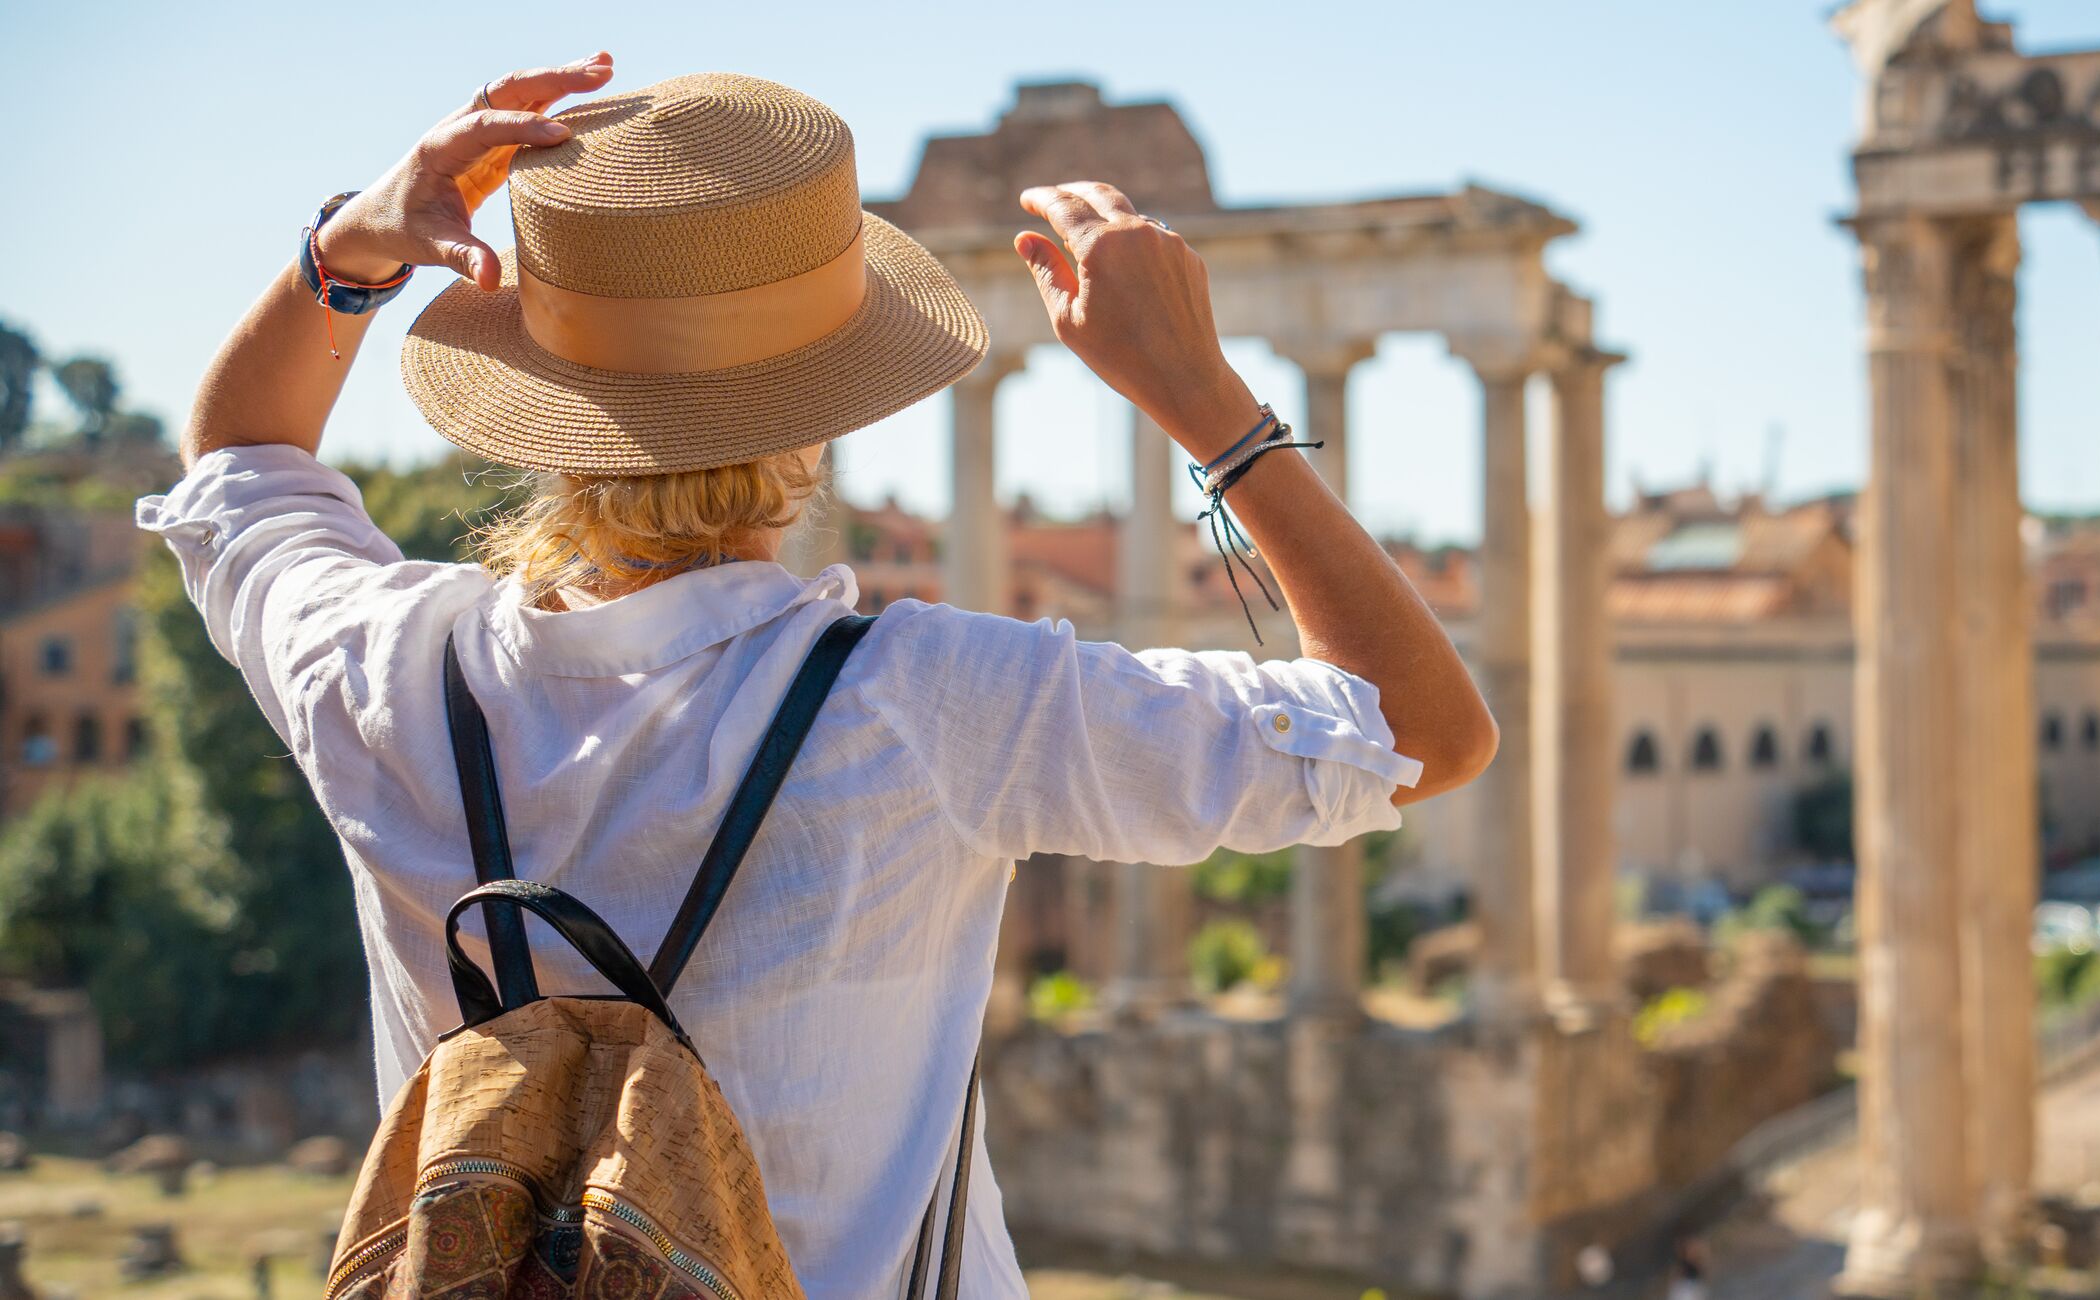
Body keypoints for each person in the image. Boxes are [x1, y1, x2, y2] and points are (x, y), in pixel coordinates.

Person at [138, 55, 1493, 1296]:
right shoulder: (938, 707)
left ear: (541, 397)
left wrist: (347, 251)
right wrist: (1213, 408)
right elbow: (1424, 732)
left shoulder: (377, 666)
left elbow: (240, 462)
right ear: (831, 410)